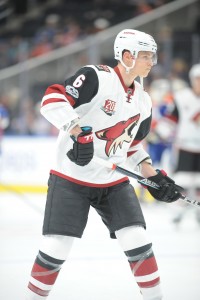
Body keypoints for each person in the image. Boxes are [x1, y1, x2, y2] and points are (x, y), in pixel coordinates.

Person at [26, 29, 183, 300]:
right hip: (70, 178)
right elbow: (51, 99)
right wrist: (78, 133)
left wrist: (153, 175)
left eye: (152, 56)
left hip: (113, 183)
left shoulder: (143, 101)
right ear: (126, 56)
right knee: (57, 246)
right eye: (145, 56)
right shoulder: (97, 77)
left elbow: (132, 146)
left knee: (138, 240)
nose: (151, 62)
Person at [160, 63, 200, 224]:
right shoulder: (181, 97)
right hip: (185, 146)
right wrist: (160, 133)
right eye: (198, 79)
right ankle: (178, 210)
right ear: (192, 80)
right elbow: (171, 119)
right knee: (182, 181)